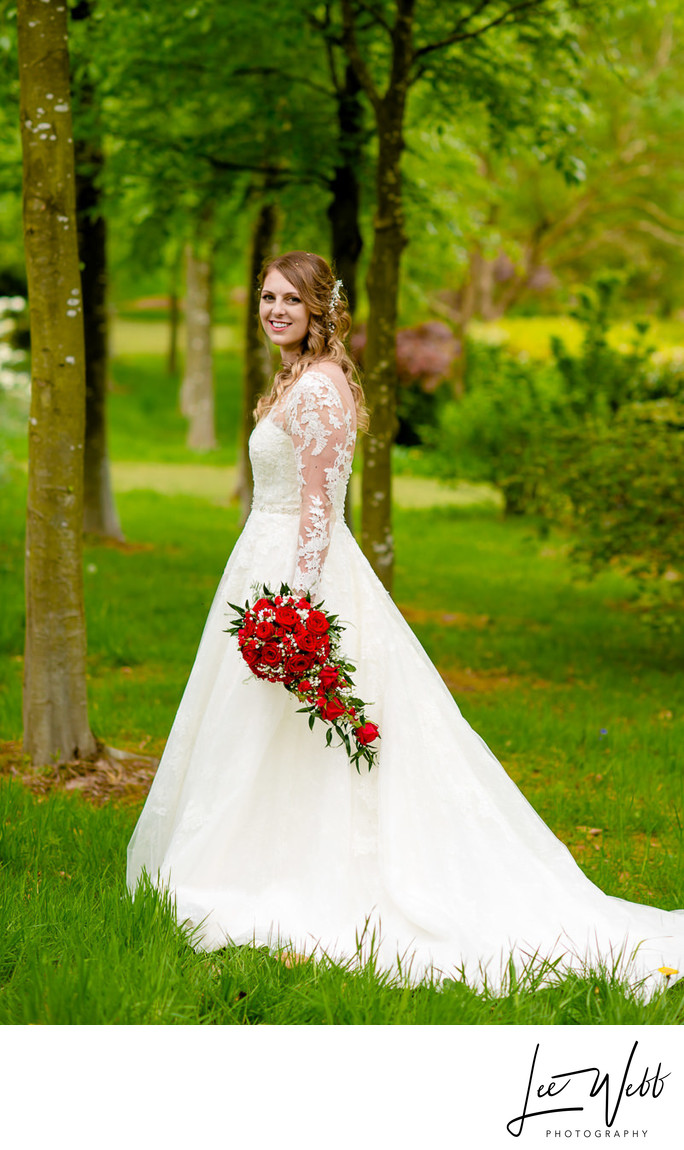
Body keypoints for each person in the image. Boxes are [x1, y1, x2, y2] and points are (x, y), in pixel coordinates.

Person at [127, 250, 684, 996]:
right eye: (266, 298)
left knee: (310, 727)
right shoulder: (293, 376)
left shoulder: (319, 387)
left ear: (321, 308)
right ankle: (253, 853)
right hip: (264, 560)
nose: (275, 311)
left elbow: (322, 506)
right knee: (261, 729)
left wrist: (295, 609)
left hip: (299, 574)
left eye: (291, 300)